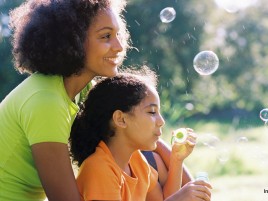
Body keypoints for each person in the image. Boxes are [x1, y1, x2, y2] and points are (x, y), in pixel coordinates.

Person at [0, 0, 130, 200]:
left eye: (118, 35)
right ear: (73, 40)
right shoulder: (46, 102)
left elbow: (133, 137)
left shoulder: (83, 89)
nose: (119, 47)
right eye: (106, 36)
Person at [69, 66, 212, 201]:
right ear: (121, 119)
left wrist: (176, 160)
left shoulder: (136, 162)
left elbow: (164, 198)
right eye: (152, 112)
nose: (161, 121)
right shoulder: (99, 169)